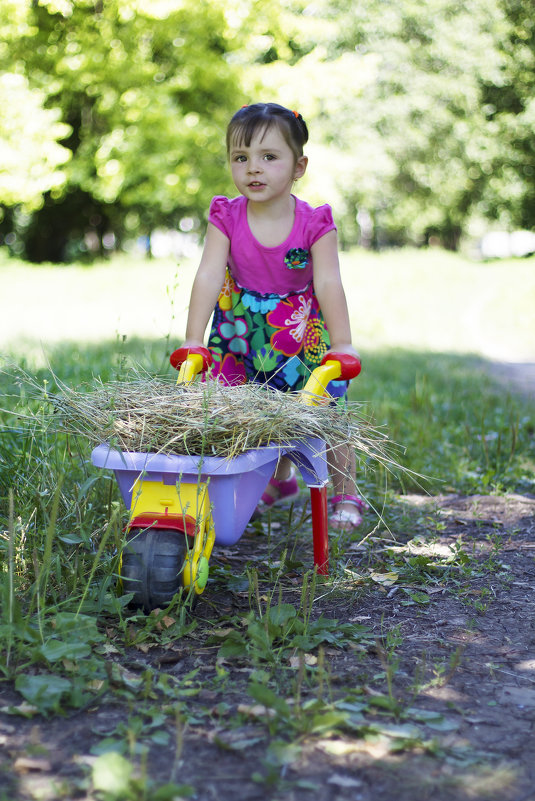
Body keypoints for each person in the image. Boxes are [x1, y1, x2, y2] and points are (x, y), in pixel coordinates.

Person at [180, 102, 366, 529]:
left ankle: (345, 491)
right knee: (238, 412)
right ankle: (276, 481)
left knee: (325, 412)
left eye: (269, 157)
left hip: (299, 333)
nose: (253, 169)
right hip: (240, 331)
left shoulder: (314, 223)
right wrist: (193, 339)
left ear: (298, 166)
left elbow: (329, 284)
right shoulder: (226, 216)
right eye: (240, 158)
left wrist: (342, 344)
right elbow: (209, 274)